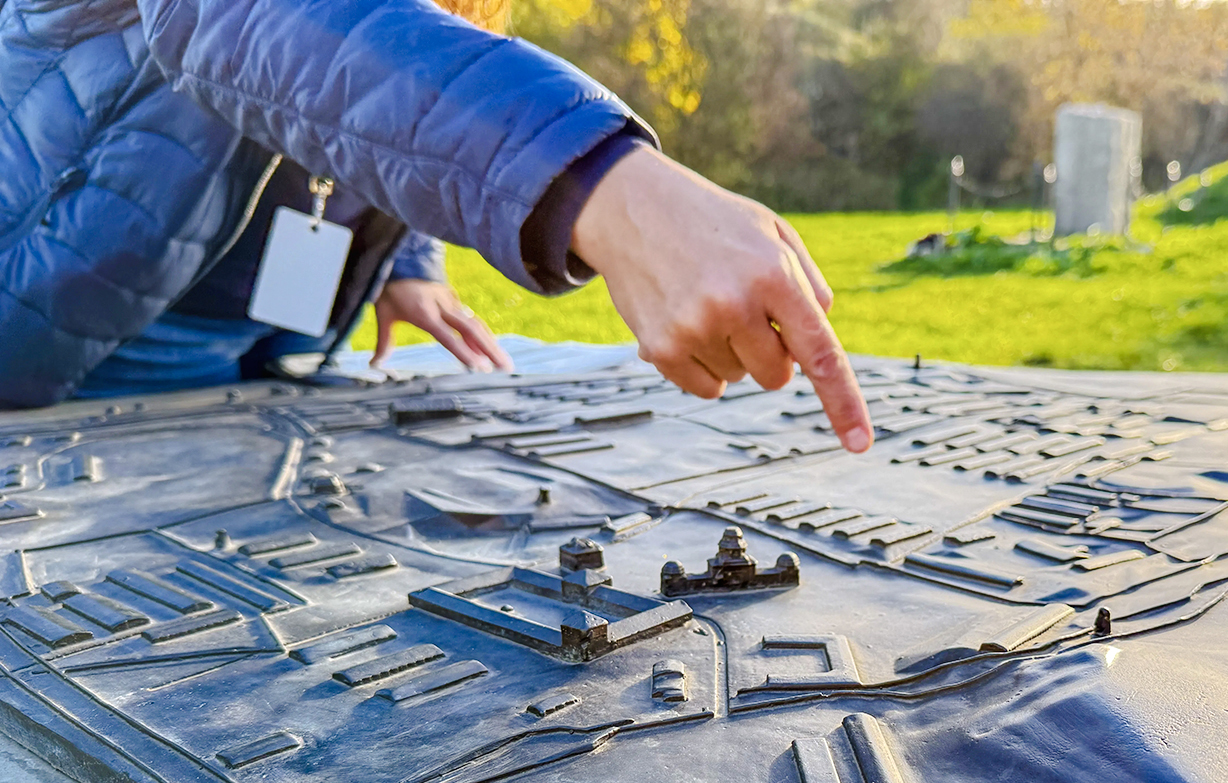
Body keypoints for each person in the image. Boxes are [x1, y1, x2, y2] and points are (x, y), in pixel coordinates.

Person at [0, 0, 874, 453]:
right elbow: (270, 30)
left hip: (244, 377)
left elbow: (391, 80)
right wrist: (608, 193)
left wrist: (406, 258)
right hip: (55, 386)